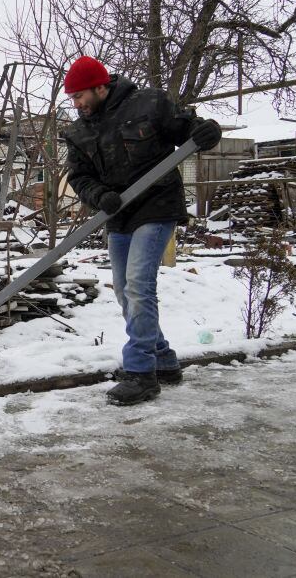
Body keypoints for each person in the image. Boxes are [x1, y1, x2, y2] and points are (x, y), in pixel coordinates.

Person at [61, 56, 222, 406]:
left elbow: (188, 130)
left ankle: (140, 374)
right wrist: (99, 195)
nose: (76, 104)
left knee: (137, 284)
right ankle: (162, 359)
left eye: (79, 96)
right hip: (119, 215)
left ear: (100, 86)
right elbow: (79, 177)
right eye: (71, 99)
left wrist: (206, 131)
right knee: (123, 291)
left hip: (157, 205)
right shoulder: (79, 131)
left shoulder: (150, 103)